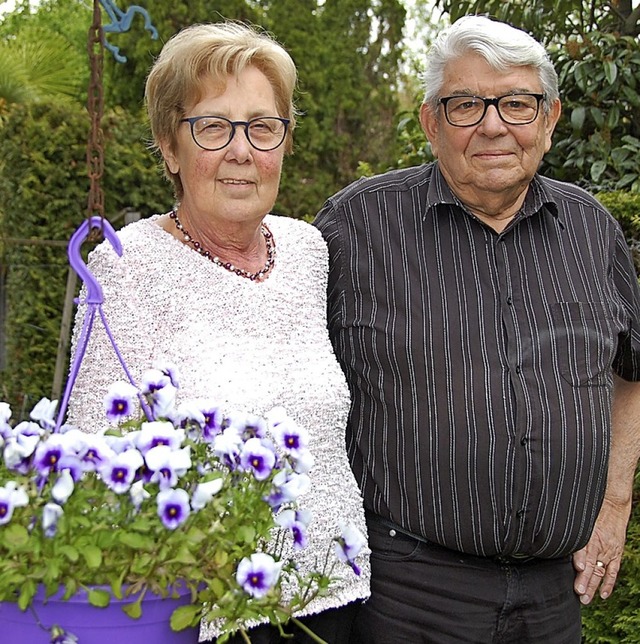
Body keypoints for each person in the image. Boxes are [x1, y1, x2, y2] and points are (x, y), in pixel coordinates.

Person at [314, 14, 640, 644]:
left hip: (553, 597)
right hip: (407, 592)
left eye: (517, 103)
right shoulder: (358, 227)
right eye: (466, 104)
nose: (494, 125)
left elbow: (634, 369)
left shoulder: (592, 232)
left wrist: (615, 502)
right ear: (430, 122)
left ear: (548, 120)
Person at [66, 21, 370, 643]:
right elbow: (90, 450)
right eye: (213, 126)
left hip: (337, 595)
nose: (242, 151)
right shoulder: (129, 264)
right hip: (208, 614)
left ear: (284, 143)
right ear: (170, 148)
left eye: (262, 127)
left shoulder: (308, 250)